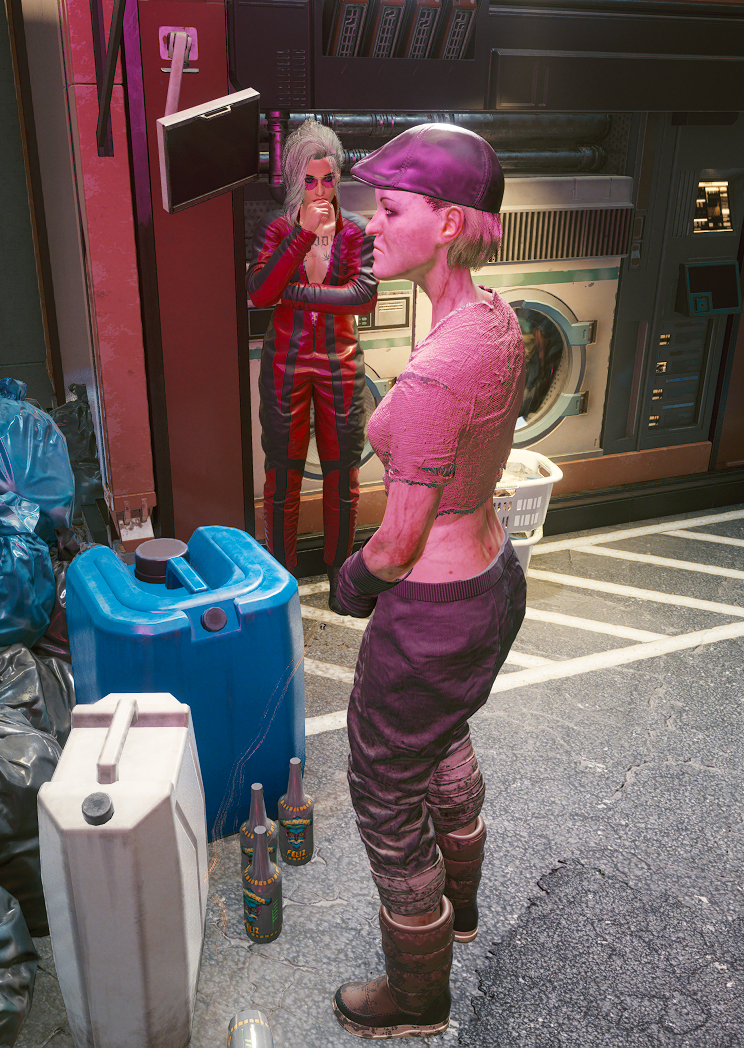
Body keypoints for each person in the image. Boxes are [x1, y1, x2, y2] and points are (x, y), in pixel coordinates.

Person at [328, 123, 526, 1039]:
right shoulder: (495, 319)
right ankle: (466, 909)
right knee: (442, 736)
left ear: (447, 223)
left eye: (389, 209)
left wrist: (349, 584)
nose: (369, 224)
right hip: (492, 580)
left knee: (383, 785)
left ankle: (417, 998)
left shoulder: (434, 382)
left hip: (433, 611)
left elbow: (397, 546)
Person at [247, 119, 377, 575]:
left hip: (341, 364)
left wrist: (295, 295)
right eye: (309, 180)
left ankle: (342, 579)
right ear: (293, 179)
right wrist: (302, 234)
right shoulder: (277, 227)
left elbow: (364, 296)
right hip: (286, 364)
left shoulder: (355, 229)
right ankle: (280, 583)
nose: (320, 190)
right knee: (282, 475)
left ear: (338, 177)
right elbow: (260, 293)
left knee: (343, 475)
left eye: (328, 178)